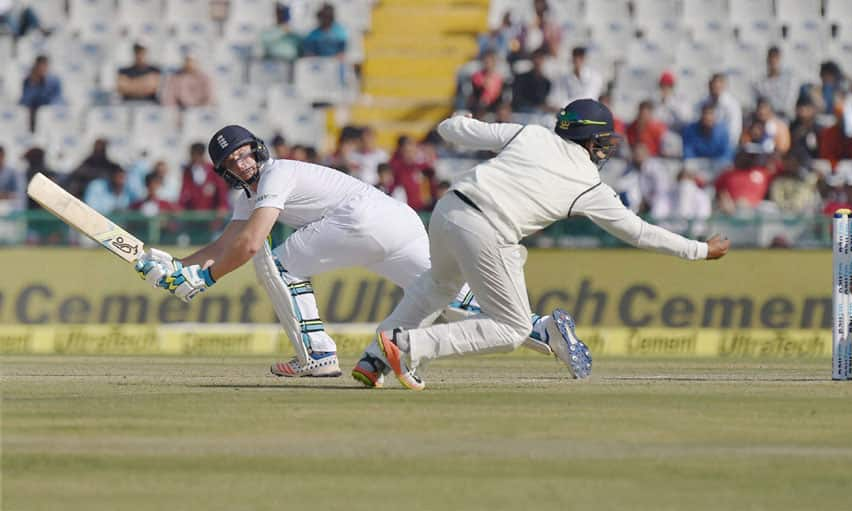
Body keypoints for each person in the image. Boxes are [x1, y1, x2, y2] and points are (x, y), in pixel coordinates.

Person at [354, 99, 731, 391]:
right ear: (591, 140)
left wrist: (457, 118)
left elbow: (455, 131)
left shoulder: (531, 133)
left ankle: (374, 359)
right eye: (602, 143)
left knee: (437, 286)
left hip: (447, 209)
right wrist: (699, 250)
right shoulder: (589, 185)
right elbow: (639, 232)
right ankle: (406, 346)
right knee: (513, 328)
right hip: (487, 227)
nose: (605, 151)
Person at [135, 126, 560, 381]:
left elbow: (248, 245)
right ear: (225, 170)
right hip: (399, 220)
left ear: (258, 150)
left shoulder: (277, 173)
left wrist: (204, 281)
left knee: (276, 262)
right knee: (446, 294)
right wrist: (176, 268)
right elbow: (223, 244)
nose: (243, 162)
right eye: (233, 160)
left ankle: (316, 354)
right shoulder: (249, 196)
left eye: (245, 153)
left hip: (362, 219)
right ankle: (541, 329)